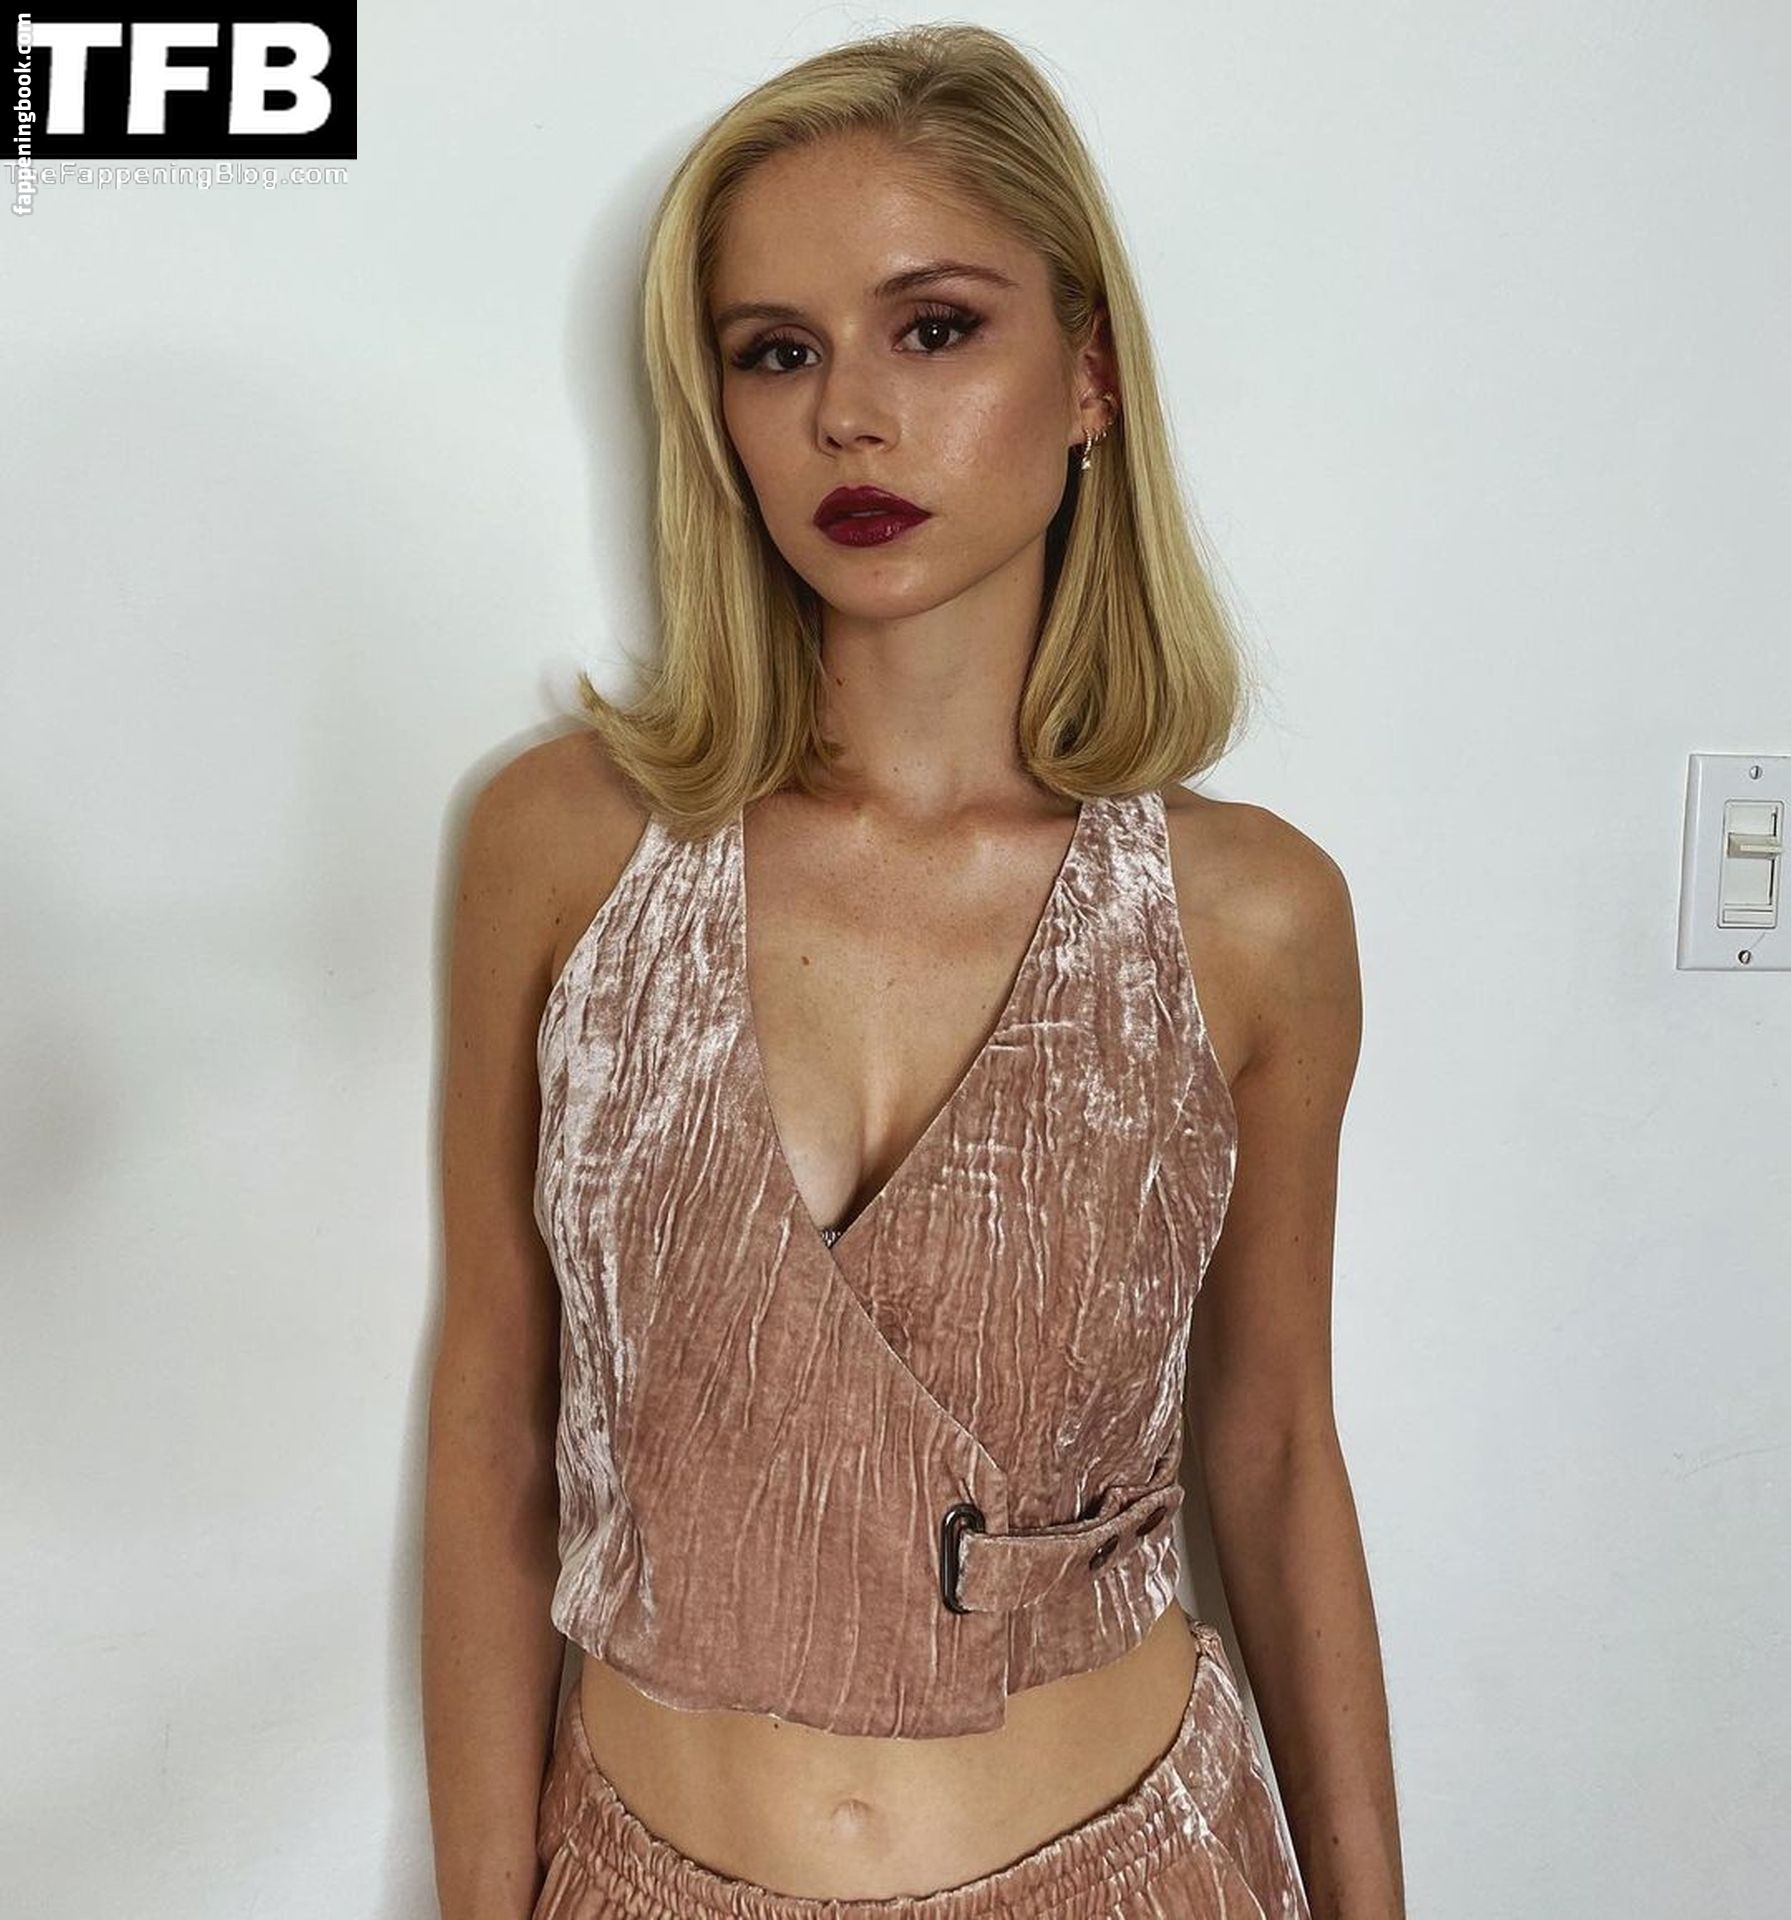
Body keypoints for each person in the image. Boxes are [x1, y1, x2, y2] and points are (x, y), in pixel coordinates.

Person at [423, 22, 1404, 1920]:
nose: (850, 421)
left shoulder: (1251, 918)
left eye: (934, 329)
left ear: (1091, 373)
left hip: (1128, 1872)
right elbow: (490, 1416)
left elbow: (1276, 1448)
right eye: (776, 352)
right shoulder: (565, 845)